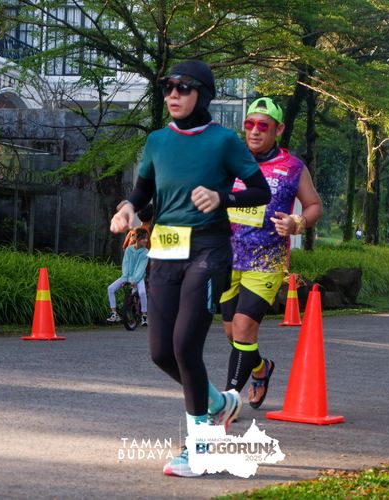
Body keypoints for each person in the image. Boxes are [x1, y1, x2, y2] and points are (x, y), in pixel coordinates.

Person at [109, 60, 271, 477]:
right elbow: (144, 191)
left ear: (203, 95)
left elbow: (260, 191)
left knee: (185, 347)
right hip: (164, 251)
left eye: (182, 87)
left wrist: (222, 198)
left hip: (208, 250)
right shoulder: (157, 141)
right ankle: (220, 403)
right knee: (161, 353)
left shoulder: (224, 141)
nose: (172, 95)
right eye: (167, 88)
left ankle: (201, 447)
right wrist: (128, 209)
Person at [220, 97, 323, 411]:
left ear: (278, 129)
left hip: (266, 260)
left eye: (263, 126)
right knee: (232, 333)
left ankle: (227, 402)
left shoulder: (292, 167)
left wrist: (297, 222)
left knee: (243, 326)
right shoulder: (230, 160)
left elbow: (314, 205)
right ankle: (261, 368)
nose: (254, 131)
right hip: (227, 257)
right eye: (249, 124)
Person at [106, 228, 149, 326]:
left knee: (142, 292)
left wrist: (135, 280)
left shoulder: (146, 252)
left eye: (146, 238)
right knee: (110, 288)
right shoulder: (129, 250)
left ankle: (144, 316)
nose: (146, 240)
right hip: (127, 276)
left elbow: (141, 268)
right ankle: (114, 314)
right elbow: (125, 264)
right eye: (143, 238)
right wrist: (125, 279)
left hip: (138, 278)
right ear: (137, 239)